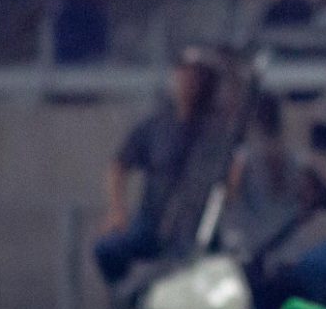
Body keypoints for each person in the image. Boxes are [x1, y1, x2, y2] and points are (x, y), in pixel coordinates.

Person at [93, 48, 231, 286]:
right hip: (152, 222)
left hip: (195, 226)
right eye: (184, 74)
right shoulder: (157, 126)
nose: (189, 81)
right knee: (108, 249)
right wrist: (117, 210)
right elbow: (119, 164)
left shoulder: (217, 131)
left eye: (197, 76)